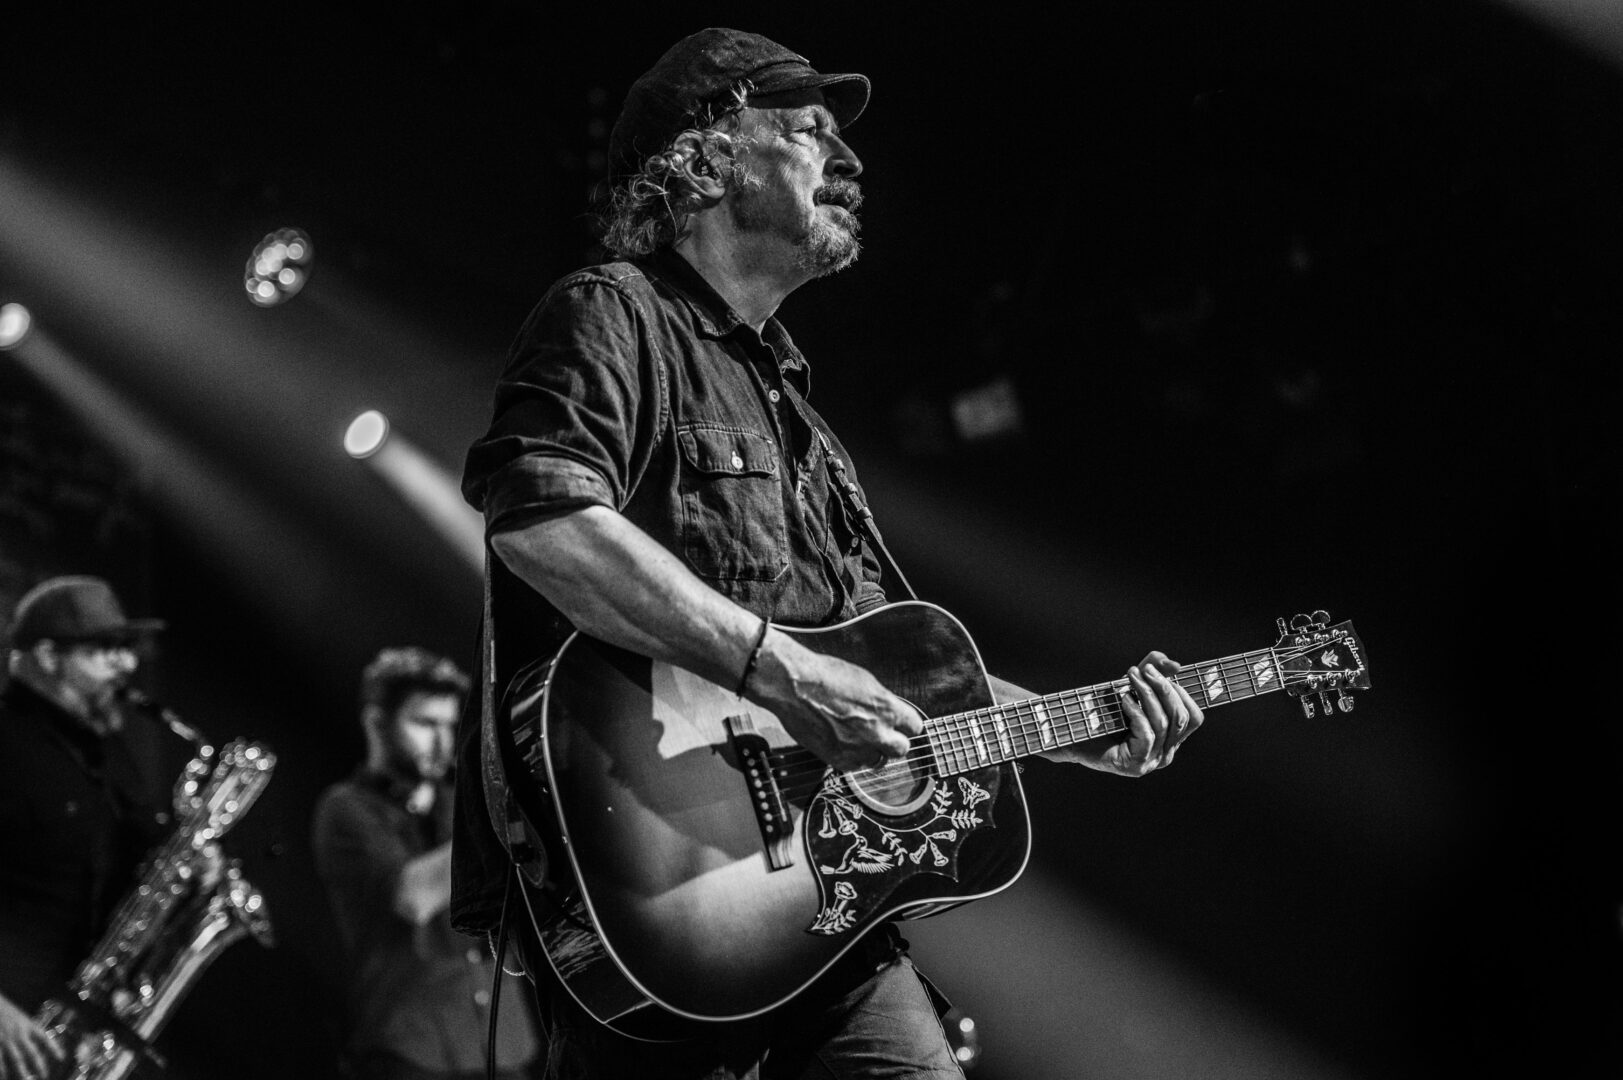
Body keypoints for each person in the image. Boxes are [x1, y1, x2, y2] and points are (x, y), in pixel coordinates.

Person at [452, 27, 1205, 1079]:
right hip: (661, 884)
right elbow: (544, 523)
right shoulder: (612, 313)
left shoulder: (804, 424)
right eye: (808, 130)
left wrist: (1074, 733)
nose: (848, 158)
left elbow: (897, 680)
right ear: (705, 158)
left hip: (831, 918)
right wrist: (786, 675)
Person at [312, 647, 539, 1080]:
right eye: (424, 724)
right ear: (376, 722)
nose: (442, 742)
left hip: (504, 1045)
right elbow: (412, 899)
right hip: (411, 1048)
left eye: (449, 726)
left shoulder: (461, 803)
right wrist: (503, 819)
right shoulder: (345, 808)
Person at [0, 576, 178, 1080]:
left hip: (77, 1029)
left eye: (127, 649)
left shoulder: (107, 753)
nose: (127, 665)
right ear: (48, 657)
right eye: (106, 650)